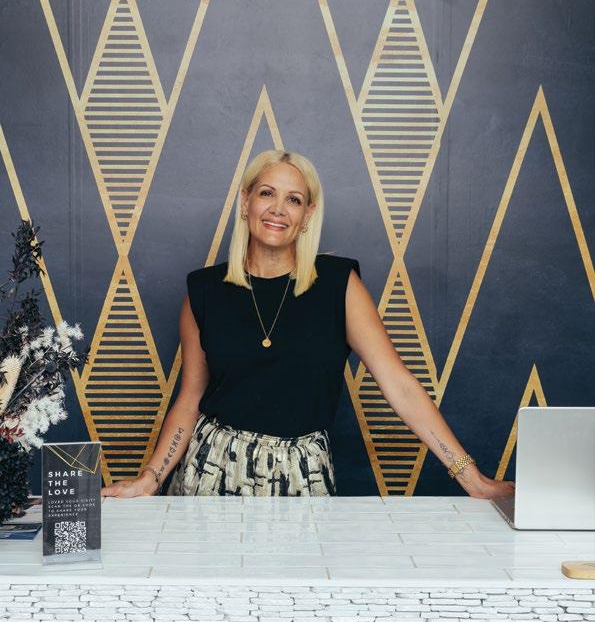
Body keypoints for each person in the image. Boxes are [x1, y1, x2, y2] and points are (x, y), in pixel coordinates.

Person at [101, 149, 515, 499]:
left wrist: (472, 479)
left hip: (302, 473)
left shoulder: (339, 285)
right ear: (245, 202)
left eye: (294, 199)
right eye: (267, 193)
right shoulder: (204, 290)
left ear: (307, 214)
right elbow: (191, 398)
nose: (278, 209)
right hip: (211, 471)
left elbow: (400, 386)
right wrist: (151, 478)